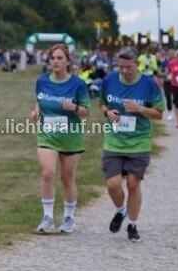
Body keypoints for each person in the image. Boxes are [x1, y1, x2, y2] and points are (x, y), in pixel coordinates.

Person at [99, 47, 165, 242]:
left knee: (133, 184)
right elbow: (102, 103)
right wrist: (107, 112)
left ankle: (132, 225)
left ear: (137, 64)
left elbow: (159, 113)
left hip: (139, 141)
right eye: (121, 67)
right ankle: (121, 210)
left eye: (128, 67)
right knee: (112, 185)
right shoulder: (109, 80)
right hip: (114, 140)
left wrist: (139, 108)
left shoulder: (148, 84)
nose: (124, 71)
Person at [29, 43, 89, 234]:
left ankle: (69, 217)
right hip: (47, 135)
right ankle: (47, 217)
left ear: (68, 62)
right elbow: (39, 100)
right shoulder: (42, 81)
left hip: (70, 137)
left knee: (67, 178)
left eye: (60, 58)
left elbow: (86, 111)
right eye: (53, 58)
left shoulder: (78, 84)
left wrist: (74, 108)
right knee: (47, 173)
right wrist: (36, 111)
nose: (55, 62)